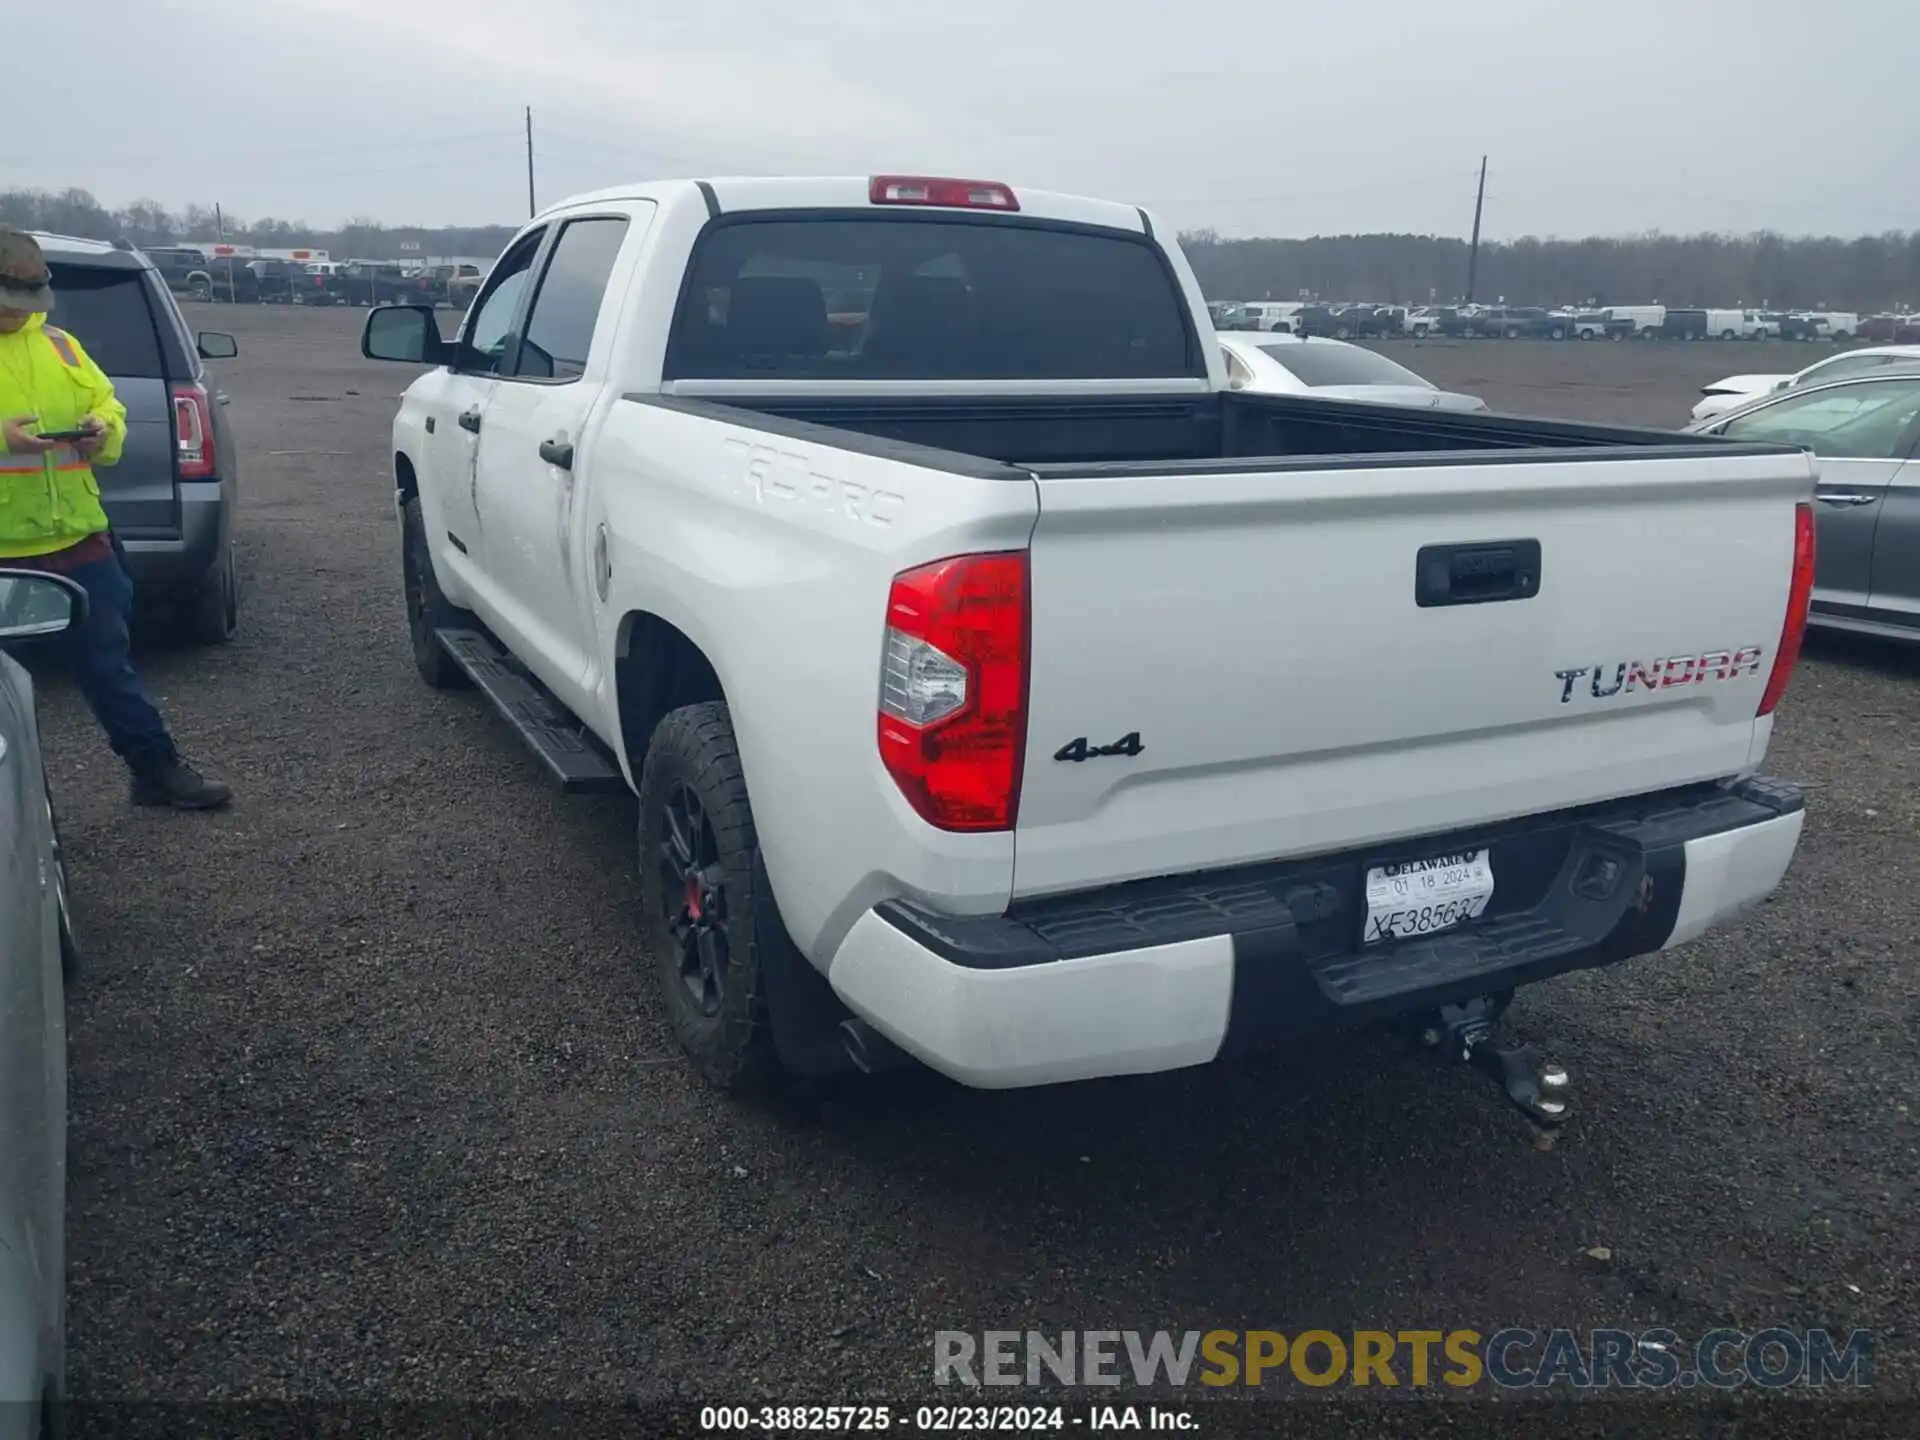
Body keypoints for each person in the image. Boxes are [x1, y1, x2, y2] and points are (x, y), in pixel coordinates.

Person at [0, 224, 231, 809]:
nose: (17, 313)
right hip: (5, 552)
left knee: (109, 664)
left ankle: (155, 771)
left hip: (80, 540)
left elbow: (107, 404)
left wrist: (104, 430)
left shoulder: (60, 345)